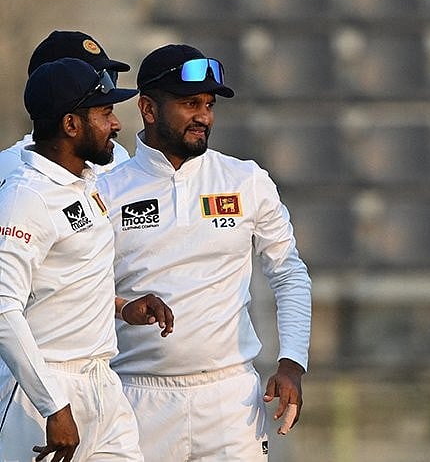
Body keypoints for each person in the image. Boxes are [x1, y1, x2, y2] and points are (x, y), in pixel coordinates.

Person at [96, 44, 312, 461]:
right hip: (135, 397)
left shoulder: (245, 179)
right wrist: (124, 308)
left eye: (209, 105)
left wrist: (292, 362)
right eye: (189, 103)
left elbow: (289, 273)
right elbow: (80, 291)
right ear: (148, 109)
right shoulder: (105, 190)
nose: (204, 117)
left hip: (231, 401)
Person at [0, 57, 173, 462]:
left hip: (102, 384)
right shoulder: (26, 198)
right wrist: (53, 405)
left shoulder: (85, 183)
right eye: (105, 113)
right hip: (42, 394)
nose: (116, 124)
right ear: (71, 124)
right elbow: (3, 308)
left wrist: (122, 307)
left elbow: (61, 284)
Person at [0, 31, 132, 179]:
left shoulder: (117, 154)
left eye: (109, 76)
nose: (106, 88)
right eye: (94, 79)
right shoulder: (10, 164)